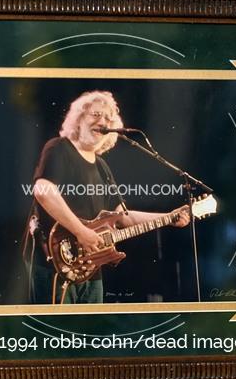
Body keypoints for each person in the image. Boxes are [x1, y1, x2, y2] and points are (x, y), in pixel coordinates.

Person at [27, 90, 190, 304]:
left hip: (91, 268)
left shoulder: (102, 167)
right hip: (55, 262)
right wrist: (82, 232)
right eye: (96, 114)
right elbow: (43, 190)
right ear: (78, 119)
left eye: (108, 118)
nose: (103, 121)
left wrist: (169, 217)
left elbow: (123, 217)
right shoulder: (59, 147)